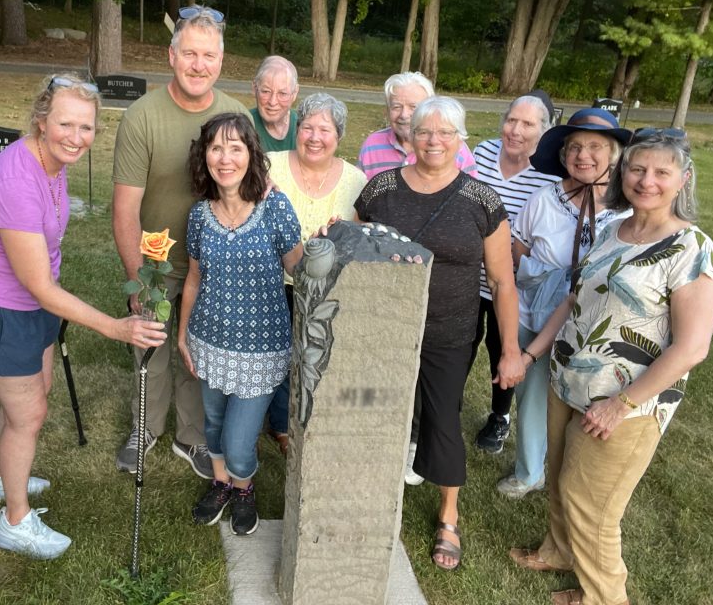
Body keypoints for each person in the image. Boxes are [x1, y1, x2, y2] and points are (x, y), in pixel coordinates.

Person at [0, 74, 166, 559]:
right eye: (66, 124)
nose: (76, 136)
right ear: (41, 121)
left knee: (33, 398)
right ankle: (14, 520)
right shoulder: (16, 179)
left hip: (29, 306)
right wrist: (114, 327)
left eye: (86, 127)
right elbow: (39, 285)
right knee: (29, 414)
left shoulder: (53, 162)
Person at [509, 129, 713, 605]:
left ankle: (604, 598)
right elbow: (574, 299)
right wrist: (531, 354)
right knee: (562, 475)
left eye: (661, 172)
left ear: (683, 179)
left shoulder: (695, 251)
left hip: (625, 402)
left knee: (593, 506)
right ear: (622, 173)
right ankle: (560, 551)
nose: (647, 180)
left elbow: (691, 348)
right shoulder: (613, 228)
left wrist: (620, 403)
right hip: (570, 380)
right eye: (637, 168)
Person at [354, 96, 523, 571]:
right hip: (385, 327)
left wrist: (509, 349)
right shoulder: (380, 189)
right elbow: (354, 244)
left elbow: (503, 280)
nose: (433, 141)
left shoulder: (482, 200)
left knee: (443, 417)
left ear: (459, 140)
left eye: (445, 133)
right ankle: (371, 496)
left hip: (450, 331)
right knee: (378, 408)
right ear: (410, 135)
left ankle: (449, 513)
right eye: (424, 131)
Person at [112, 5, 249, 478]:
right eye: (189, 53)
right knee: (150, 347)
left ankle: (193, 437)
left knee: (198, 354)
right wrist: (137, 281)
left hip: (215, 264)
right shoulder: (141, 117)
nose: (198, 64)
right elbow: (125, 208)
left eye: (208, 56)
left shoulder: (236, 115)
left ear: (221, 60)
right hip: (156, 260)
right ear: (171, 56)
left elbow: (254, 194)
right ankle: (145, 426)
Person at [178, 113, 302, 535]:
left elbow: (300, 271)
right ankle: (221, 483)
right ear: (205, 156)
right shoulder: (199, 216)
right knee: (212, 423)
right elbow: (194, 278)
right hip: (208, 340)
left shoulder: (275, 207)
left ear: (251, 155)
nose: (225, 158)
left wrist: (324, 248)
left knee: (238, 438)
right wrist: (182, 336)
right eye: (216, 148)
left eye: (236, 148)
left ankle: (244, 486)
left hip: (262, 348)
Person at [499, 108, 632, 499]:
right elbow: (517, 251)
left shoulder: (629, 210)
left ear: (615, 156)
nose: (583, 155)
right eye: (574, 147)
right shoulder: (543, 200)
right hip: (535, 315)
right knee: (533, 395)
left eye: (595, 147)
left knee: (588, 399)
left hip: (596, 324)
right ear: (561, 155)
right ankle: (529, 471)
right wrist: (547, 279)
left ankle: (578, 480)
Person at [264, 92, 367, 453]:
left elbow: (359, 237)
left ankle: (306, 414)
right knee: (280, 354)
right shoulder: (269, 165)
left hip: (325, 290)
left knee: (311, 353)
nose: (314, 136)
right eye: (307, 126)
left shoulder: (357, 181)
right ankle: (279, 421)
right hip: (273, 283)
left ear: (338, 136)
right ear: (297, 129)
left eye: (324, 129)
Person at [469, 92, 559, 456]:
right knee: (461, 344)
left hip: (513, 284)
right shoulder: (482, 153)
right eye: (511, 120)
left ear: (544, 131)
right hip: (467, 278)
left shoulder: (549, 174)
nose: (516, 130)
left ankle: (499, 416)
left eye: (528, 124)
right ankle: (445, 407)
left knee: (502, 349)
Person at [357, 71, 477, 180]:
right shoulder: (372, 145)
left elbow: (472, 196)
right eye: (396, 107)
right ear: (387, 111)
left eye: (413, 107)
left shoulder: (455, 148)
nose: (404, 115)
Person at [250, 55, 299, 151]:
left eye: (282, 93)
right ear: (254, 88)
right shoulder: (242, 126)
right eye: (266, 91)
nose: (272, 102)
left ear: (295, 93)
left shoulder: (304, 128)